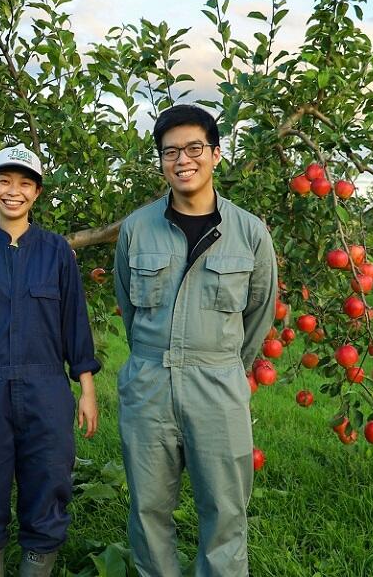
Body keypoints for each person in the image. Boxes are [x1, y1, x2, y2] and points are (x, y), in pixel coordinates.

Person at [113, 105, 277, 577]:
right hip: (149, 384)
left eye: (193, 148)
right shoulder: (136, 229)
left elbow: (260, 310)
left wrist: (223, 364)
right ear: (161, 161)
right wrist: (157, 358)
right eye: (170, 152)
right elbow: (129, 304)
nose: (182, 160)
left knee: (225, 511)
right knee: (148, 511)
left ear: (216, 154)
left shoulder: (248, 232)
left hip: (218, 382)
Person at [0, 146, 101, 576]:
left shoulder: (57, 252)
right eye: (5, 181)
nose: (14, 191)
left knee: (48, 480)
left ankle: (37, 566)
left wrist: (86, 390)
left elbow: (75, 327)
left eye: (25, 183)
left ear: (37, 192)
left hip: (46, 389)